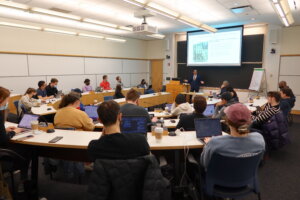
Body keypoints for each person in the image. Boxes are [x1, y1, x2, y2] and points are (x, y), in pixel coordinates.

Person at [200, 103, 265, 170]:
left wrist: (207, 145)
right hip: (247, 179)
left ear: (227, 121)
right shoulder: (259, 139)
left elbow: (205, 164)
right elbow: (259, 161)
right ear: (249, 120)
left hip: (221, 179)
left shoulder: (214, 143)